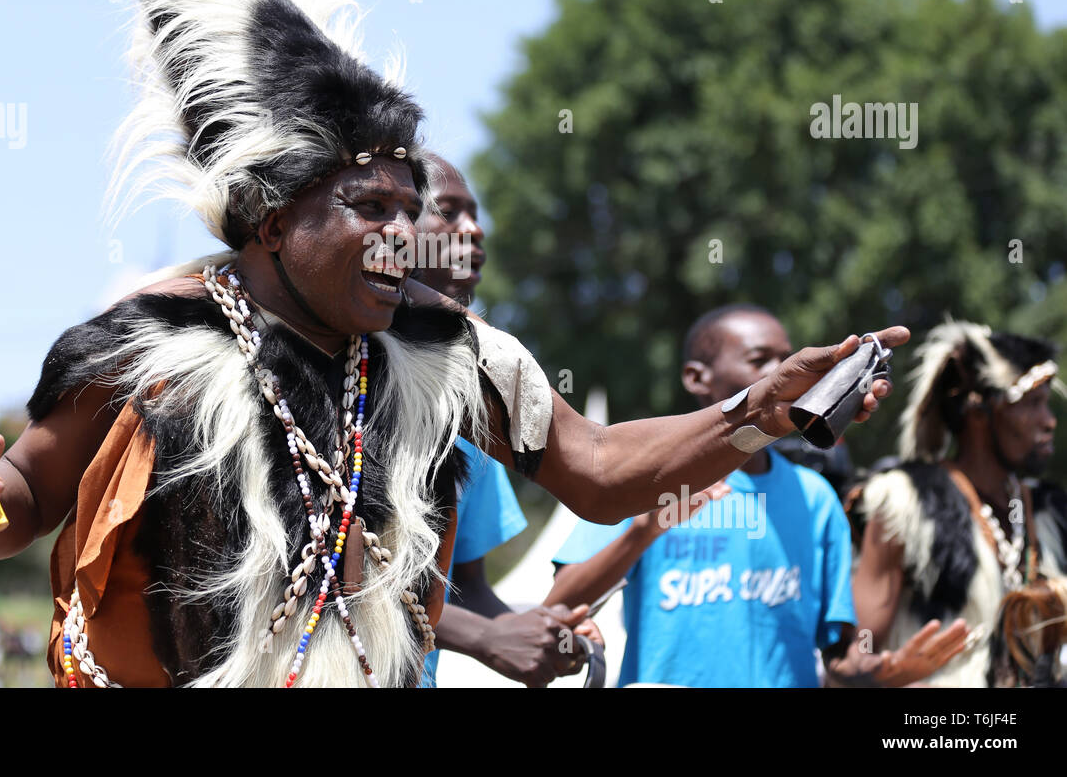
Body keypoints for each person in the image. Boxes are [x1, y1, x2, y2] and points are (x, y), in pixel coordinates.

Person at [0, 0, 904, 688]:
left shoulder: (440, 347)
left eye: (409, 202)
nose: (405, 234)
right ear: (272, 215)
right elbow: (22, 503)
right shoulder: (150, 341)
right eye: (369, 207)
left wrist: (757, 414)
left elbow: (597, 469)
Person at [547, 305, 964, 687]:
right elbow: (558, 609)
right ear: (697, 377)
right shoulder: (643, 481)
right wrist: (643, 531)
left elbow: (839, 656)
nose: (780, 371)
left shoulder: (815, 498)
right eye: (759, 359)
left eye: (785, 357)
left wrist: (882, 673)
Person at [414, 156, 598, 687]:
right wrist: (484, 639)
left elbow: (463, 588)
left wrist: (543, 634)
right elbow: (335, 575)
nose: (474, 230)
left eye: (476, 215)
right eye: (448, 212)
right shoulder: (336, 380)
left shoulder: (473, 405)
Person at [849, 318, 1064, 686]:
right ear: (980, 410)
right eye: (1032, 403)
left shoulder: (1050, 509)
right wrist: (892, 670)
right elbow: (851, 661)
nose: (1049, 421)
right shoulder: (904, 502)